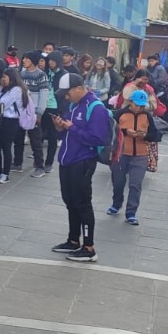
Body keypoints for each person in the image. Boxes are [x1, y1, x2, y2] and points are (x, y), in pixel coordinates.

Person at [50, 73, 112, 262]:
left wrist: (71, 128)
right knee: (70, 201)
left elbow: (98, 138)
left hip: (83, 161)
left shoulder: (96, 107)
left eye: (67, 93)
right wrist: (60, 126)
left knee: (82, 203)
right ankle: (73, 240)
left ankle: (89, 247)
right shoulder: (75, 104)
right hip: (67, 159)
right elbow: (68, 131)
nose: (66, 97)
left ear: (78, 88)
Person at [108, 90, 156, 226]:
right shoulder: (120, 114)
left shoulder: (147, 116)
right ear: (130, 102)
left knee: (135, 185)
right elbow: (110, 131)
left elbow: (155, 135)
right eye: (137, 104)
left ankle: (131, 212)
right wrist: (125, 132)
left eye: (142, 105)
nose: (140, 108)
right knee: (118, 182)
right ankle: (116, 203)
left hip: (140, 155)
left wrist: (144, 136)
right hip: (121, 154)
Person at [0, 68, 27, 184]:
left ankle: (5, 173)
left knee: (6, 147)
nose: (3, 79)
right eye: (2, 77)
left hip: (10, 121)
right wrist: (0, 88)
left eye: (5, 77)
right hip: (0, 119)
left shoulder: (16, 90)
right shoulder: (1, 89)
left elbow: (2, 104)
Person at [18, 51, 49, 177]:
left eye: (26, 58)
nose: (24, 60)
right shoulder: (21, 74)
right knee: (18, 138)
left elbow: (44, 95)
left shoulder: (41, 75)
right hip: (21, 111)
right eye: (23, 58)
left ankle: (39, 166)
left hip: (33, 112)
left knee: (35, 140)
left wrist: (39, 113)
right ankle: (17, 163)